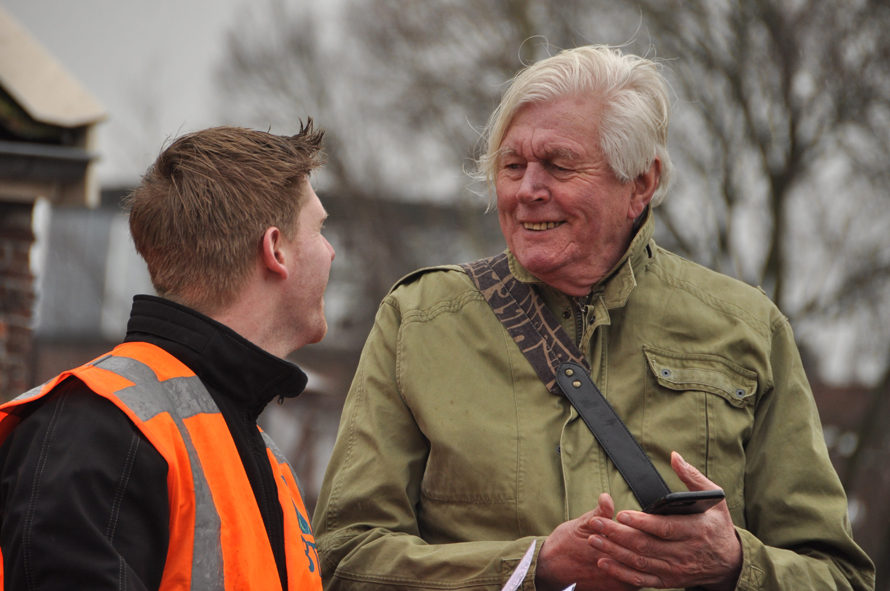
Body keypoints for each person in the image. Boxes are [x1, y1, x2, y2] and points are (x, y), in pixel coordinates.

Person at [311, 45, 874, 591]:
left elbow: (840, 576)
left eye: (558, 165)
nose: (528, 190)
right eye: (512, 165)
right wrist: (534, 567)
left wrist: (732, 565)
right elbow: (342, 558)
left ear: (641, 184)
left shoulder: (748, 328)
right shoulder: (419, 322)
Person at [0, 123, 335, 590]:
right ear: (275, 248)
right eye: (319, 229)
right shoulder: (95, 426)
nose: (331, 251)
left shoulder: (251, 444)